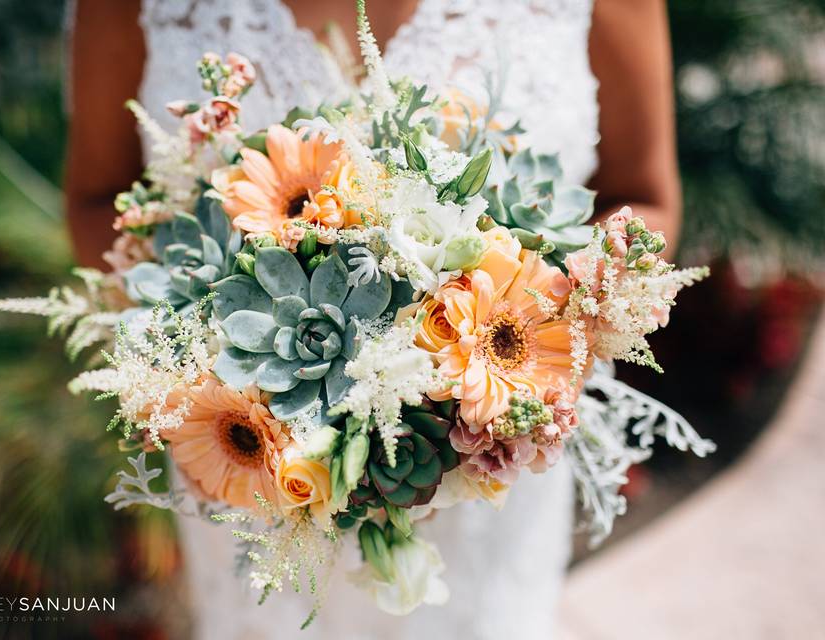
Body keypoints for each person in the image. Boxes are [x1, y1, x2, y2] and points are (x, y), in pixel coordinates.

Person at [66, 1, 680, 638]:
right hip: (243, 463)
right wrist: (210, 371)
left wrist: (536, 356)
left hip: (495, 461)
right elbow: (94, 200)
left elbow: (646, 199)